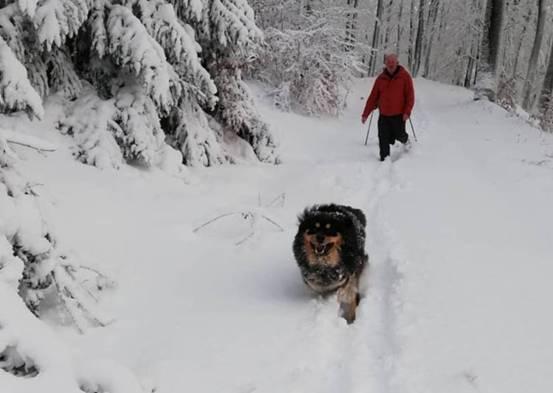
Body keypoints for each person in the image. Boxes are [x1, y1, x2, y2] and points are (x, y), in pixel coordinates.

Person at [361, 53, 415, 161]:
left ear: (397, 63)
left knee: (399, 135)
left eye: (393, 62)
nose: (390, 65)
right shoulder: (380, 79)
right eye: (388, 62)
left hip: (399, 115)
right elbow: (373, 97)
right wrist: (365, 114)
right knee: (383, 138)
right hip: (384, 115)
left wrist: (407, 112)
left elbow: (410, 96)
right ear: (385, 64)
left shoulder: (404, 77)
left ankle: (406, 140)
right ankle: (384, 160)